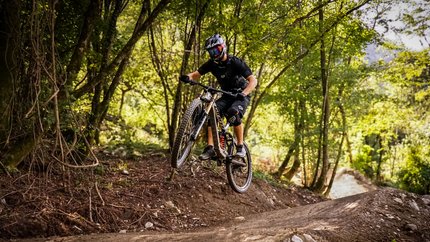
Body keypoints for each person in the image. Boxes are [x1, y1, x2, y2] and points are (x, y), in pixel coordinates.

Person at [179, 33, 257, 159]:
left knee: (233, 112)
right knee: (212, 113)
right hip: (226, 95)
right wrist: (187, 77)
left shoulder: (235, 62)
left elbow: (253, 80)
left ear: (223, 47)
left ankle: (240, 147)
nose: (214, 54)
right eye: (211, 52)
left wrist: (244, 93)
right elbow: (196, 74)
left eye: (217, 50)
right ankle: (210, 148)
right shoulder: (212, 64)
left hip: (240, 95)